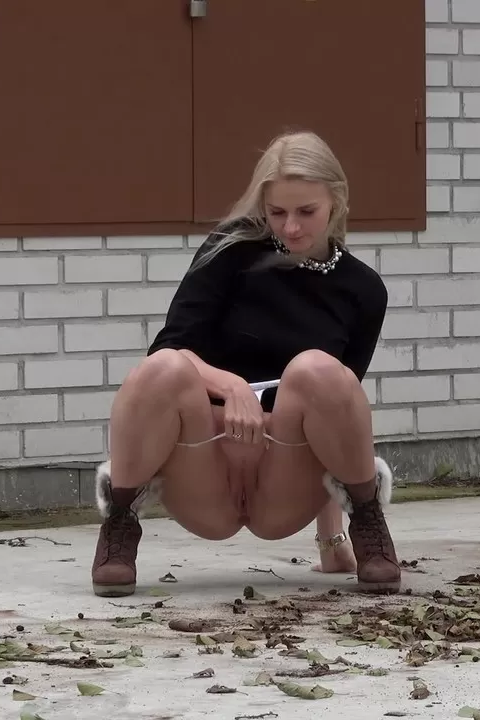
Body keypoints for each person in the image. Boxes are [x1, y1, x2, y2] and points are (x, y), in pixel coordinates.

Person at [89, 130, 401, 597]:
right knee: (163, 368)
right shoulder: (230, 251)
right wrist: (231, 387)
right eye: (277, 212)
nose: (290, 227)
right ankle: (118, 527)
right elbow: (171, 346)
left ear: (336, 201)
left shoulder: (364, 291)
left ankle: (368, 525)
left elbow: (336, 418)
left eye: (306, 212)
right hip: (205, 463)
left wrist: (330, 541)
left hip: (285, 477)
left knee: (317, 370)